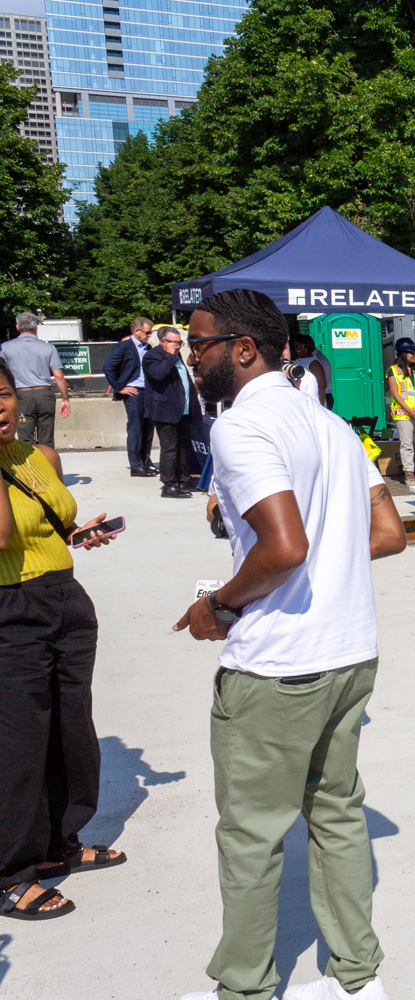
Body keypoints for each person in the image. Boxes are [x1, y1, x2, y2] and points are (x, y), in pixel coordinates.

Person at [173, 288, 406, 1000]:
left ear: (243, 348)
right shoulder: (329, 424)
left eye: (200, 343)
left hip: (278, 665)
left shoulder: (242, 428)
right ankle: (356, 972)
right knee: (335, 811)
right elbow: (388, 533)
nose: (191, 355)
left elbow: (282, 547)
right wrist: (327, 560)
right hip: (349, 651)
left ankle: (243, 987)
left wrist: (218, 604)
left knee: (252, 834)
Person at [0, 356, 122, 923]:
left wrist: (78, 533)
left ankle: (57, 844)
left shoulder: (39, 455)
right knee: (18, 740)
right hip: (10, 609)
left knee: (70, 728)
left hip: (64, 598)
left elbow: (48, 524)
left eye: (1, 394)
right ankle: (9, 872)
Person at [144, 326, 203, 499]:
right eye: (176, 342)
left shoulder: (176, 356)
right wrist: (170, 356)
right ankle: (168, 485)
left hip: (182, 410)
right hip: (165, 411)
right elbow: (158, 375)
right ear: (164, 342)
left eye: (179, 342)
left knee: (184, 447)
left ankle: (183, 480)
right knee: (170, 449)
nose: (178, 346)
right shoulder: (152, 357)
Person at [0, 312, 70, 448]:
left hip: (22, 395)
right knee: (47, 437)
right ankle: (49, 466)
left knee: (25, 437)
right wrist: (65, 399)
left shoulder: (5, 348)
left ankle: (28, 468)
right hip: (44, 394)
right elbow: (59, 376)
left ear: (17, 327)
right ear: (36, 327)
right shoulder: (48, 347)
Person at [103, 317, 157, 477]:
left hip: (148, 391)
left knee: (148, 427)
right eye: (147, 333)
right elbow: (108, 367)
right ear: (136, 331)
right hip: (134, 392)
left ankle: (146, 461)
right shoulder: (124, 347)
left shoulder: (149, 347)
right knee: (135, 428)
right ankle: (136, 465)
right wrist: (121, 388)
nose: (149, 335)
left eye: (150, 333)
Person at [385, 337, 415, 486]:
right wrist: (408, 410)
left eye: (414, 352)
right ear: (403, 354)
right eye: (411, 352)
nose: (414, 355)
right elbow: (395, 393)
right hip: (403, 413)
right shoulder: (394, 370)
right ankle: (409, 474)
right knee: (407, 444)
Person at [289, 332, 332, 408]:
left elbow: (321, 388)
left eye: (299, 346)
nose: (297, 348)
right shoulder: (294, 360)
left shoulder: (314, 363)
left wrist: (320, 408)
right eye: (294, 346)